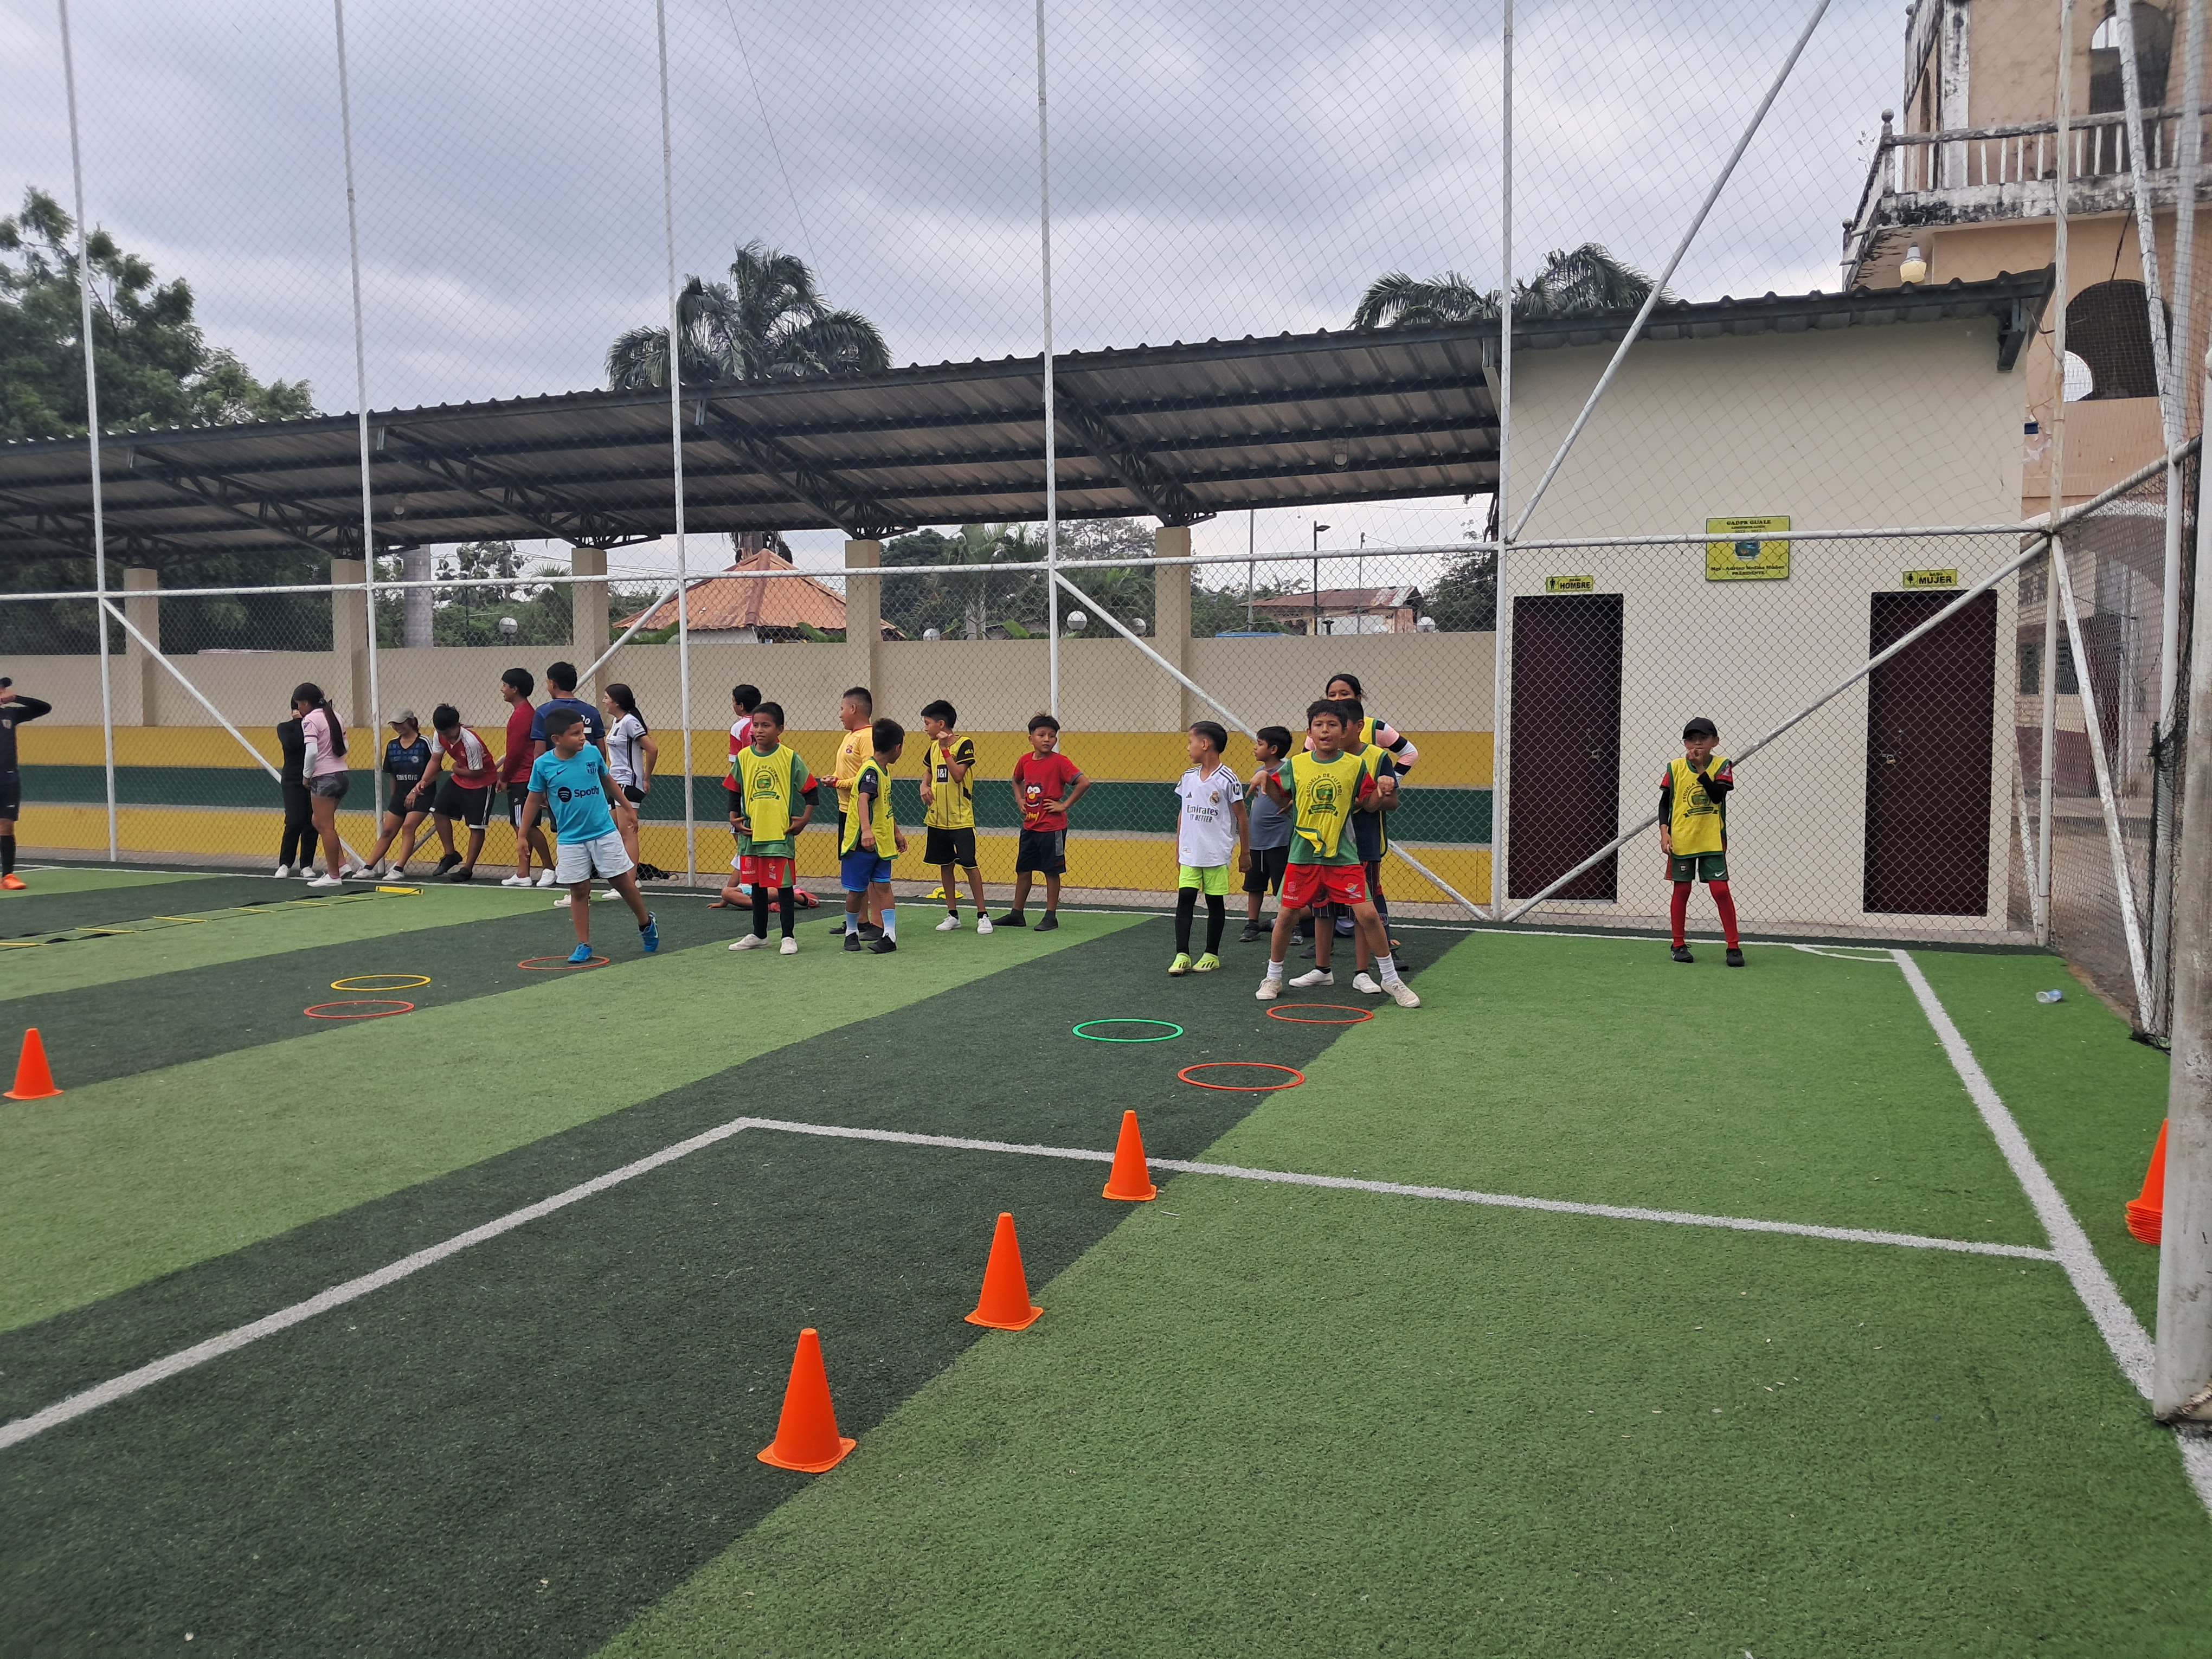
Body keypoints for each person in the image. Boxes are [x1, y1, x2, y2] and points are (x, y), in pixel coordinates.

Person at [1256, 700, 1418, 1008]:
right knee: (1287, 916)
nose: (1325, 730)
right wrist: (1266, 780)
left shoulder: (1356, 766)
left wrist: (1383, 789)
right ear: (1309, 732)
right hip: (1303, 855)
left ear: (1344, 731)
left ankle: (1390, 978)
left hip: (1343, 856)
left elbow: (1369, 805)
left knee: (1368, 915)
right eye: (1319, 725)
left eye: (1332, 725)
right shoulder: (1296, 764)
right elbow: (1281, 798)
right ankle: (1273, 977)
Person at [518, 707, 658, 963]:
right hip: (570, 839)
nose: (582, 738)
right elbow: (533, 800)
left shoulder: (592, 754)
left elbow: (608, 781)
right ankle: (584, 944)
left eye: (582, 732)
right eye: (575, 734)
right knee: (580, 890)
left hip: (603, 832)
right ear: (557, 739)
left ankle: (646, 923)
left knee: (622, 882)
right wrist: (522, 835)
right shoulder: (544, 765)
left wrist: (628, 808)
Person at [727, 701, 820, 956]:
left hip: (779, 835)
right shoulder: (744, 757)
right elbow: (734, 789)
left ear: (780, 729)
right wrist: (734, 818)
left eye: (766, 725)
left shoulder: (789, 758)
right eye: (756, 725)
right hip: (752, 835)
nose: (759, 730)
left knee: (783, 887)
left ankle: (788, 936)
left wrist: (804, 819)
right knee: (756, 887)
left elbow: (811, 790)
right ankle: (759, 935)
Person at [1661, 717, 1742, 967]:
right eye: (1691, 739)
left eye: (1703, 739)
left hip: (1711, 840)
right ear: (1685, 743)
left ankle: (1733, 946)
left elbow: (1717, 796)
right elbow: (1664, 803)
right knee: (1682, 890)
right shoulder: (1675, 767)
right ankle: (1678, 944)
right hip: (1683, 839)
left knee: (1720, 891)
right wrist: (1665, 832)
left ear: (1715, 741)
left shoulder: (1722, 765)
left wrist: (1700, 769)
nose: (1697, 744)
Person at [1169, 721, 1246, 976]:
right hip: (1190, 853)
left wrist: (1245, 853)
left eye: (1190, 742)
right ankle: (1182, 954)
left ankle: (1211, 954)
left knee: (1215, 902)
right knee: (1185, 900)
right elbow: (1183, 814)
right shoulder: (1188, 777)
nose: (1188, 748)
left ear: (1205, 744)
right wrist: (1179, 847)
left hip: (1216, 854)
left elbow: (1242, 818)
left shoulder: (1228, 779)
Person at [999, 713, 1088, 931]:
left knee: (1051, 871)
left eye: (1052, 735)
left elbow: (1084, 783)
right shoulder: (1025, 761)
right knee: (1023, 870)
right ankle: (1017, 914)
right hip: (1030, 826)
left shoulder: (1060, 762)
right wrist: (1020, 799)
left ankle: (1051, 916)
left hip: (1052, 828)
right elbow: (1016, 780)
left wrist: (1064, 806)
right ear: (1031, 739)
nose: (1047, 739)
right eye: (1042, 735)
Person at [918, 698, 991, 935]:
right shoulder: (932, 748)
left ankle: (983, 915)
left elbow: (958, 775)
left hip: (961, 819)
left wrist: (945, 749)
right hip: (937, 818)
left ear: (941, 724)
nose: (925, 728)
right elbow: (929, 772)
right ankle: (953, 914)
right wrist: (924, 785)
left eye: (928, 723)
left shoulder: (964, 744)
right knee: (945, 865)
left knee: (969, 864)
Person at [841, 717, 906, 955]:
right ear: (897, 747)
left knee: (883, 886)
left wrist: (896, 833)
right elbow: (863, 800)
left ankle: (890, 935)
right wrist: (866, 831)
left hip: (882, 843)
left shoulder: (883, 771)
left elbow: (884, 806)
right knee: (857, 891)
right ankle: (851, 931)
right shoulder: (870, 771)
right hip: (862, 843)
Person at [825, 686, 882, 937]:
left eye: (842, 708)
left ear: (853, 708)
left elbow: (869, 776)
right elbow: (851, 773)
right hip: (846, 812)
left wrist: (839, 783)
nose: (839, 714)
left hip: (862, 814)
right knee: (856, 870)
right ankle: (859, 920)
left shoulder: (867, 737)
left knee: (869, 869)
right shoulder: (850, 736)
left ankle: (877, 923)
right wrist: (836, 779)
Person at [498, 667, 558, 889]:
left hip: (522, 778)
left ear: (515, 689)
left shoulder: (522, 716)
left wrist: (505, 777)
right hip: (524, 777)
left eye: (505, 685)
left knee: (526, 827)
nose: (502, 689)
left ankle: (549, 868)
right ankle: (524, 872)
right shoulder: (524, 713)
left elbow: (514, 752)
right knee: (521, 826)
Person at [425, 704, 496, 882]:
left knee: (476, 826)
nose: (446, 737)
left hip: (481, 782)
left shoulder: (471, 742)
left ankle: (467, 869)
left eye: (449, 733)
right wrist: (423, 781)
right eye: (442, 733)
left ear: (458, 725)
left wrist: (455, 768)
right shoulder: (439, 735)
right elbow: (435, 759)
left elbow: (477, 772)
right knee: (437, 810)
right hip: (459, 779)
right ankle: (451, 854)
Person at [359, 710, 434, 878]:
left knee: (408, 827)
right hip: (400, 795)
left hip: (422, 795)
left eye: (401, 723)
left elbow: (435, 770)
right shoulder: (392, 745)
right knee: (387, 831)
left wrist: (416, 791)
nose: (397, 727)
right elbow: (392, 774)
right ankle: (368, 868)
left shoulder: (424, 743)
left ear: (411, 722)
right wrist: (394, 797)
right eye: (394, 724)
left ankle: (399, 869)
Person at [1238, 725, 1294, 943]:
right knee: (1254, 885)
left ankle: (1291, 926)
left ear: (1273, 749)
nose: (1255, 747)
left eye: (1259, 744)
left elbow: (1295, 796)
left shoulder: (1287, 771)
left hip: (1279, 841)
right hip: (1257, 842)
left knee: (1284, 888)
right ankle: (1252, 923)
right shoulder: (1258, 772)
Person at [293, 682, 351, 889]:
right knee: (317, 821)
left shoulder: (310, 720)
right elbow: (345, 747)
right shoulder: (336, 716)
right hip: (342, 774)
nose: (298, 708)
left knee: (326, 827)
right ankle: (342, 866)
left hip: (324, 778)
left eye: (299, 704)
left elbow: (311, 752)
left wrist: (306, 775)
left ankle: (334, 876)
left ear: (305, 703)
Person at [0, 679, 54, 890]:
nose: (3, 691)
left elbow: (44, 708)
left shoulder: (10, 714)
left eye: (3, 689)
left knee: (6, 825)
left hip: (8, 779)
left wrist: (16, 698)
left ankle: (8, 876)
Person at [713, 683, 762, 907]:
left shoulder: (739, 727)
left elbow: (735, 767)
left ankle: (758, 895)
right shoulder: (766, 724)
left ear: (741, 706)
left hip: (745, 798)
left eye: (733, 701)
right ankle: (739, 892)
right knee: (750, 849)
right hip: (765, 794)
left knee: (745, 848)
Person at [602, 683, 658, 871]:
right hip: (616, 782)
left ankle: (630, 881)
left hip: (628, 782)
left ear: (616, 702)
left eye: (607, 698)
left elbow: (652, 749)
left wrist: (646, 778)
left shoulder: (629, 722)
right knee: (613, 830)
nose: (604, 701)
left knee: (628, 834)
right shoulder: (617, 722)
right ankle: (623, 875)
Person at [530, 660, 606, 763]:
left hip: (556, 770)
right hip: (586, 768)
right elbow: (601, 750)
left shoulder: (543, 712)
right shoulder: (592, 711)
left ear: (552, 684)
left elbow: (540, 752)